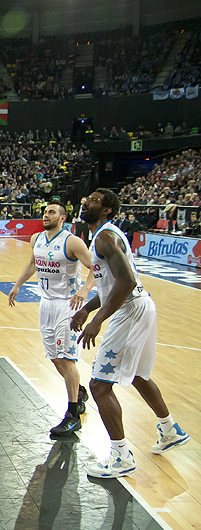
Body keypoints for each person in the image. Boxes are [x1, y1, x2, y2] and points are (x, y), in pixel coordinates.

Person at [70, 188, 190, 478]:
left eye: (95, 201)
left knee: (99, 386)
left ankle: (121, 456)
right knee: (137, 374)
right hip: (140, 305)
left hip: (132, 309)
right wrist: (87, 308)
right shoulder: (104, 235)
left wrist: (97, 320)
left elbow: (126, 281)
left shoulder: (105, 237)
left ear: (107, 209)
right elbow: (111, 285)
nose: (87, 202)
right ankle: (169, 429)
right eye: (88, 199)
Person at [8, 201, 95, 437]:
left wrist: (85, 290)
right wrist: (18, 284)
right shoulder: (36, 239)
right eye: (45, 212)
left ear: (63, 218)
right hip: (46, 304)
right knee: (56, 359)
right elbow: (34, 263)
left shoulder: (72, 242)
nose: (46, 215)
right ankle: (79, 393)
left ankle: (72, 415)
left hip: (67, 305)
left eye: (52, 212)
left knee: (67, 360)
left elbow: (96, 268)